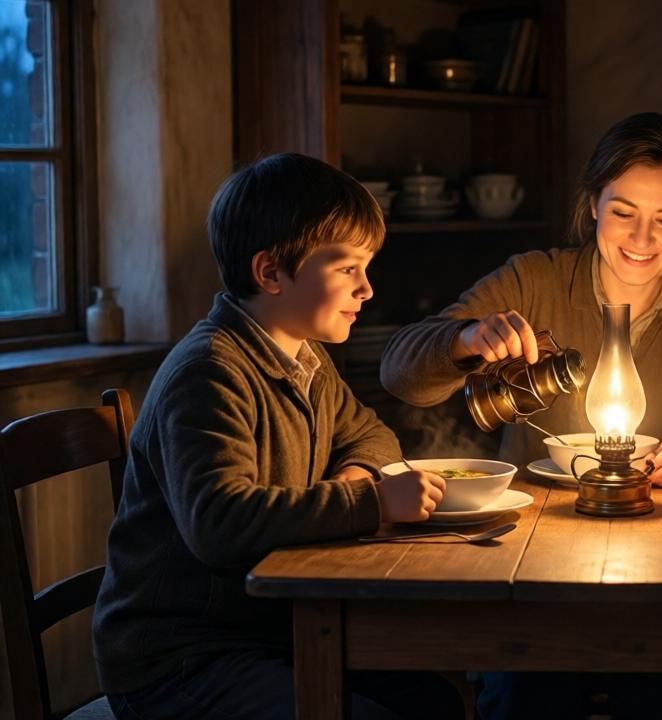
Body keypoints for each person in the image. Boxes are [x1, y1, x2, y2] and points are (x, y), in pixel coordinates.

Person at [382, 112, 662, 719]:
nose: (642, 238)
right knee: (525, 694)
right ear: (593, 202)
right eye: (624, 212)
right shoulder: (535, 278)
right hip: (529, 565)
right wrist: (466, 337)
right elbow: (399, 373)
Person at [93, 153, 464, 720]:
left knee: (438, 698)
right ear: (270, 273)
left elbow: (370, 434)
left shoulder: (303, 356)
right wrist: (369, 502)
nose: (367, 289)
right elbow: (219, 523)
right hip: (181, 659)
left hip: (271, 631)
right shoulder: (209, 372)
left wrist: (359, 477)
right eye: (347, 269)